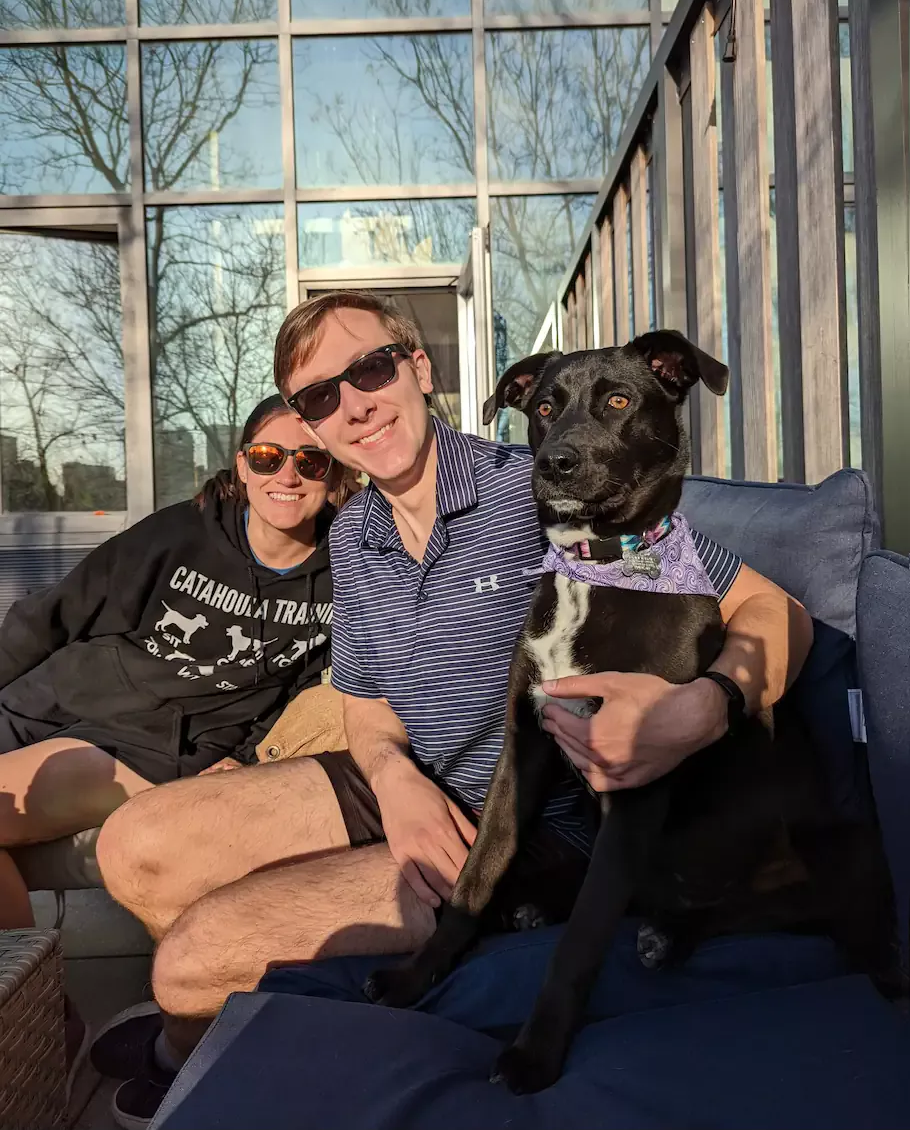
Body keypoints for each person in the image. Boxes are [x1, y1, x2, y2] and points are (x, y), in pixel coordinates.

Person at [94, 292, 813, 1128]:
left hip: (526, 822)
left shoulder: (544, 489)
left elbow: (776, 611)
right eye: (320, 396)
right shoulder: (355, 533)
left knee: (191, 960)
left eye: (367, 368)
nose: (353, 404)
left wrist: (705, 706)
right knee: (134, 846)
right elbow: (364, 706)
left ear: (417, 366)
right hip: (412, 781)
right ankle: (213, 1035)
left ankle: (204, 1045)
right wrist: (393, 776)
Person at [0, 394, 339, 1089]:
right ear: (242, 466)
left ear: (335, 474)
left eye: (310, 459)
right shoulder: (178, 536)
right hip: (49, 702)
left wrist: (243, 762)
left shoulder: (344, 574)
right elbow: (51, 616)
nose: (288, 474)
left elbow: (296, 696)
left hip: (143, 748)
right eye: (269, 457)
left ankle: (44, 1020)